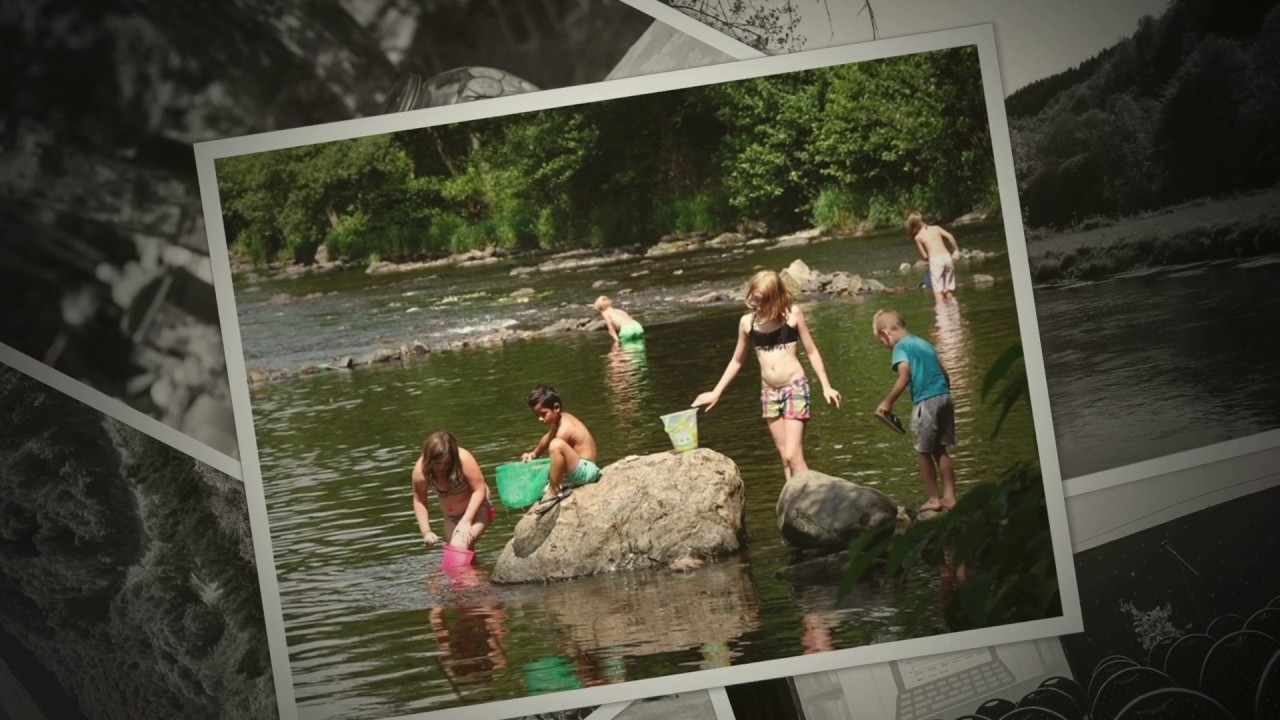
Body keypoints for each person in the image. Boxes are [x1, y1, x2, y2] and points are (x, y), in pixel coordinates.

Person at [691, 270, 841, 482]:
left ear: (777, 299)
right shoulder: (747, 323)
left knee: (793, 455)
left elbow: (812, 351)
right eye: (755, 301)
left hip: (794, 387)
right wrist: (717, 391)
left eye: (764, 303)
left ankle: (811, 501)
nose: (759, 307)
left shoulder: (792, 316)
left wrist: (826, 385)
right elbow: (737, 360)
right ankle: (791, 505)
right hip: (769, 393)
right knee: (784, 457)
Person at [872, 309, 957, 512]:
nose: (885, 346)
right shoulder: (924, 343)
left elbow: (904, 375)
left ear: (886, 333)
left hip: (925, 402)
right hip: (944, 397)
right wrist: (942, 395)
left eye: (882, 342)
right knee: (941, 450)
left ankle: (934, 499)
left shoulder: (900, 347)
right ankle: (950, 497)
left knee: (923, 451)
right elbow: (944, 373)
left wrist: (888, 402)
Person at [411, 430, 495, 550]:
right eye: (438, 463)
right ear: (430, 460)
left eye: (447, 463)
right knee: (458, 555)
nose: (442, 467)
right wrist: (426, 532)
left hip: (478, 509)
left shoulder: (464, 460)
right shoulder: (421, 472)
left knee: (458, 548)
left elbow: (479, 489)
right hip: (450, 518)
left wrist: (466, 520)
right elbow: (420, 500)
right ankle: (480, 569)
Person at [522, 384, 601, 501]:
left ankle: (554, 489)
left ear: (556, 408)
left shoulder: (565, 428)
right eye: (537, 415)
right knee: (553, 442)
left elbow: (557, 454)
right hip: (583, 468)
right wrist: (534, 454)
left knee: (556, 445)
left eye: (543, 414)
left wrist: (551, 478)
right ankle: (554, 485)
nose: (540, 419)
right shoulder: (560, 420)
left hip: (586, 471)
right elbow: (547, 437)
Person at [906, 212, 961, 301]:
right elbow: (950, 236)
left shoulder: (918, 237)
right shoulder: (936, 228)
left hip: (935, 259)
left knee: (938, 292)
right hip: (946, 257)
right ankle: (953, 312)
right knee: (948, 290)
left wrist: (931, 262)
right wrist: (956, 250)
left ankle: (941, 313)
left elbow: (925, 256)